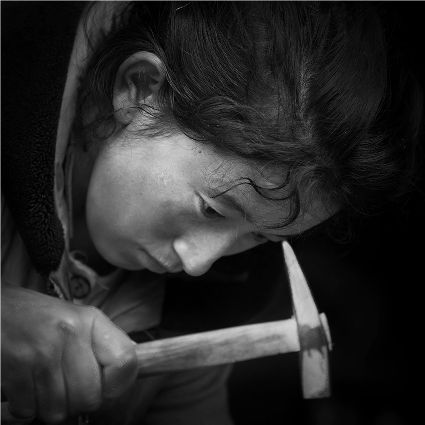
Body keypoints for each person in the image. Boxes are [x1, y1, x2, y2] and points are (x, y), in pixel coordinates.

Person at [1, 2, 422, 425]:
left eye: (259, 237)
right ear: (141, 91)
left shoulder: (198, 312)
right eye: (212, 209)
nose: (199, 264)